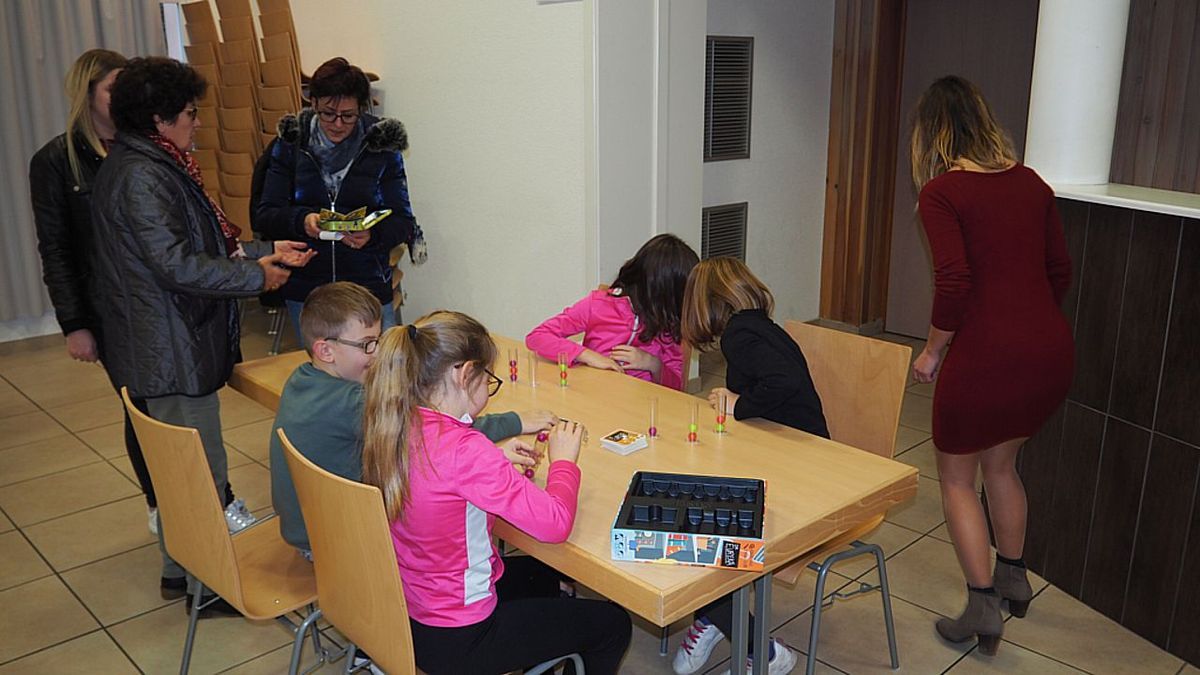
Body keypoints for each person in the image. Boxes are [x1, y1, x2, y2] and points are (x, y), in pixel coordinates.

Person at [89, 56, 315, 614]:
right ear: (160, 118)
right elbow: (177, 266)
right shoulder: (143, 175)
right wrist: (256, 276)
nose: (198, 122)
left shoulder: (146, 163)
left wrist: (266, 252)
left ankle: (180, 571)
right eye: (190, 113)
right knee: (198, 476)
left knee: (180, 475)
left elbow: (199, 245)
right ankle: (205, 586)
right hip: (169, 350)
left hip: (164, 344)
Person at [361, 311, 632, 674]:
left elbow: (440, 476)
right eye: (488, 378)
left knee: (545, 575)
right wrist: (564, 462)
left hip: (409, 612)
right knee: (613, 625)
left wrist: (494, 460)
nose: (489, 388)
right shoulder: (467, 450)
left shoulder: (397, 423)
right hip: (461, 636)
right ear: (464, 374)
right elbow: (555, 524)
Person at [909, 75, 1073, 655]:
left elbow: (954, 283)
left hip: (986, 356)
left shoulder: (943, 193)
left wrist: (932, 351)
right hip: (1048, 353)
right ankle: (1013, 577)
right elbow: (1059, 272)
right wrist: (1028, 323)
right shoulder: (1032, 183)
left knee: (957, 478)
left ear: (932, 133)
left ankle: (982, 607)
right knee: (1002, 466)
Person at [268, 281, 558, 558]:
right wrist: (516, 421)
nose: (376, 354)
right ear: (325, 351)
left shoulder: (301, 380)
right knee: (452, 527)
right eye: (367, 344)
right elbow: (439, 429)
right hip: (343, 545)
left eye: (378, 341)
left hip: (307, 528)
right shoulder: (355, 403)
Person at [28, 49, 167, 535]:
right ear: (87, 94)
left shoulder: (147, 147)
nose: (124, 95)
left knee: (172, 405)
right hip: (107, 311)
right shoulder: (54, 161)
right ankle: (160, 506)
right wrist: (75, 324)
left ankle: (194, 500)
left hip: (158, 304)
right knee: (142, 406)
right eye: (113, 87)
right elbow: (56, 250)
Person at [671, 257, 825, 674]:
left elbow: (783, 382)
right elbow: (772, 381)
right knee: (710, 504)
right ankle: (716, 613)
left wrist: (740, 403)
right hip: (797, 450)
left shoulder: (739, 336)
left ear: (706, 303)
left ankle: (751, 641)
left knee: (708, 521)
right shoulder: (758, 327)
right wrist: (738, 397)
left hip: (801, 467)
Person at [254, 57, 425, 336]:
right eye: (327, 113)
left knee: (380, 361)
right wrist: (303, 220)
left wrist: (373, 235)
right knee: (321, 361)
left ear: (362, 108)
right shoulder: (291, 143)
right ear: (313, 103)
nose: (337, 124)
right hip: (308, 287)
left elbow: (402, 221)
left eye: (348, 115)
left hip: (366, 287)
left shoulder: (381, 144)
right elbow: (266, 215)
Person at [526, 234, 699, 390]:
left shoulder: (670, 323)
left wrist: (654, 365)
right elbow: (537, 337)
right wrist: (587, 355)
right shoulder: (598, 304)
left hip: (641, 404)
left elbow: (676, 387)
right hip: (594, 394)